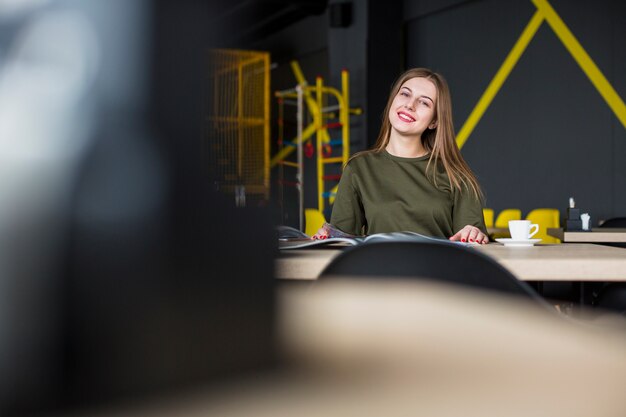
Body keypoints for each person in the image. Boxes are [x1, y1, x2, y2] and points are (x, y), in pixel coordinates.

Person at [314, 67, 489, 244]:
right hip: (378, 270)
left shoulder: (456, 176)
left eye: (424, 102)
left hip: (436, 270)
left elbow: (473, 248)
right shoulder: (358, 168)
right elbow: (340, 242)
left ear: (434, 121)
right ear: (393, 100)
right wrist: (329, 236)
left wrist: (475, 234)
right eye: (405, 94)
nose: (409, 105)